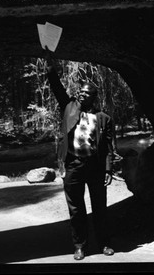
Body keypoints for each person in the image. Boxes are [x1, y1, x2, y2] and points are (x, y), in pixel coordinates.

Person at [44, 48, 116, 261]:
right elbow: (57, 87)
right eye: (80, 92)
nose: (81, 94)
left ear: (93, 97)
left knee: (100, 207)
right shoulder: (68, 107)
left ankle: (104, 243)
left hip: (94, 166)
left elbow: (108, 148)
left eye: (86, 93)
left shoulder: (103, 118)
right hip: (73, 165)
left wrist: (108, 169)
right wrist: (50, 66)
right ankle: (80, 246)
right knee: (76, 209)